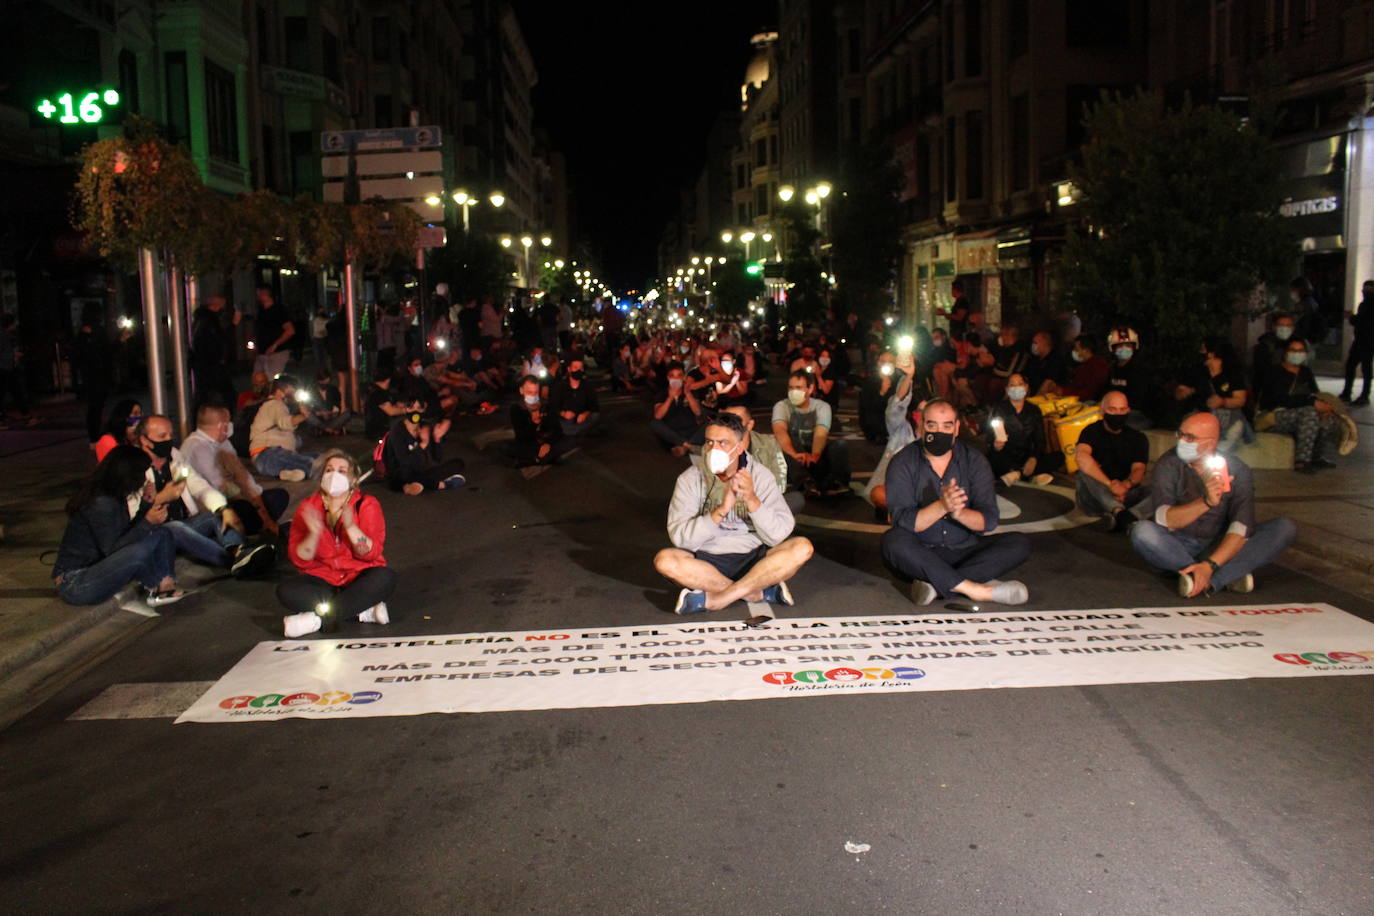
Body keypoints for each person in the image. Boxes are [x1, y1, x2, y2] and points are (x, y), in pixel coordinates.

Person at [653, 412, 814, 615]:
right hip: (707, 561)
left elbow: (777, 535)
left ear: (739, 448)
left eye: (723, 443)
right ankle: (757, 592)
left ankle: (717, 599)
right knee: (665, 560)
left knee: (802, 548)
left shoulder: (760, 476)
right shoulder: (690, 479)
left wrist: (753, 501)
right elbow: (681, 539)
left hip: (754, 559)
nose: (714, 449)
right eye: (709, 443)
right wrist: (720, 511)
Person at [879, 398, 1031, 606]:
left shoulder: (974, 461)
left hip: (965, 550)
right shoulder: (903, 462)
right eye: (932, 425)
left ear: (957, 428)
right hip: (920, 553)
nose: (939, 432)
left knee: (1019, 543)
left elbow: (988, 521)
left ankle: (937, 586)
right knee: (893, 541)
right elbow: (902, 522)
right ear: (921, 426)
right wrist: (942, 506)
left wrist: (960, 513)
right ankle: (977, 590)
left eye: (947, 425)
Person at [1129, 411, 1296, 597]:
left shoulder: (1236, 469)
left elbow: (1241, 527)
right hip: (1177, 544)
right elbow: (1164, 519)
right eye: (1181, 434)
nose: (1182, 441)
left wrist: (1212, 563)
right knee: (1142, 532)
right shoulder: (1169, 464)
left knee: (1284, 528)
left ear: (1211, 443)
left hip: (1217, 545)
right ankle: (1224, 576)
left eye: (1190, 437)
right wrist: (1206, 502)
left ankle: (1203, 578)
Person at [133, 414, 275, 576]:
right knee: (175, 528)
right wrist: (162, 497)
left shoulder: (174, 456)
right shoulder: (133, 466)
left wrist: (223, 508)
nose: (168, 440)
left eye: (171, 435)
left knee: (217, 512)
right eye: (162, 436)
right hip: (155, 533)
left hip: (185, 522)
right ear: (144, 440)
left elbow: (199, 486)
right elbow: (131, 511)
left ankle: (239, 550)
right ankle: (231, 560)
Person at [279, 450, 396, 637]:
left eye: (342, 471)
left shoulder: (366, 504)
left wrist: (350, 527)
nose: (334, 475)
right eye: (329, 470)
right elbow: (300, 560)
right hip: (323, 579)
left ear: (354, 479)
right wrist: (314, 533)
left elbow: (370, 554)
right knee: (286, 590)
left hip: (358, 577)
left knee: (384, 578)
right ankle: (358, 611)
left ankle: (319, 619)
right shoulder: (308, 507)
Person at [54, 446, 185, 607]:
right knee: (139, 550)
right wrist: (147, 522)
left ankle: (165, 585)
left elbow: (125, 534)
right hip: (75, 583)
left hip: (97, 570)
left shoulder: (114, 496)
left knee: (162, 532)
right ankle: (158, 586)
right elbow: (114, 550)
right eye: (142, 473)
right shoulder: (101, 503)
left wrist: (145, 505)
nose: (145, 478)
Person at [180, 404, 288, 537]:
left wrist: (258, 503)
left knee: (278, 496)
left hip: (238, 497)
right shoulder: (196, 448)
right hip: (215, 507)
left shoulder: (222, 442)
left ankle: (258, 525)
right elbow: (222, 488)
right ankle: (252, 529)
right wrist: (258, 508)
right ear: (222, 426)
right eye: (228, 422)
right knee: (246, 508)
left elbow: (244, 476)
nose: (230, 426)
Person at [1260, 337, 1340, 473]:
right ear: (1285, 352)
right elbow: (1279, 399)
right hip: (1275, 416)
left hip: (1301, 413)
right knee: (1309, 412)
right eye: (1293, 350)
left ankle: (1316, 456)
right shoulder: (1273, 372)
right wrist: (1310, 403)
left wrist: (1322, 406)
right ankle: (1302, 461)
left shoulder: (1305, 372)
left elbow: (1315, 393)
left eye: (1300, 351)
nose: (1297, 354)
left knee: (1328, 417)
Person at [1074, 391, 1150, 531]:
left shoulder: (1138, 438)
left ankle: (1128, 516)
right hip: (1096, 495)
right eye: (1112, 409)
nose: (1117, 414)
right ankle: (1119, 513)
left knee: (1159, 490)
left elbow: (1139, 469)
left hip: (1125, 493)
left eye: (1122, 410)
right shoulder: (1091, 432)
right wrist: (1110, 485)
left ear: (1128, 411)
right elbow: (1081, 457)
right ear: (1102, 411)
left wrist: (1125, 485)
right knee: (1085, 471)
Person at [772, 369, 850, 498]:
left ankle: (837, 483)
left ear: (810, 388)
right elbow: (779, 431)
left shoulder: (822, 406)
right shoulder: (781, 406)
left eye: (798, 387)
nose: (793, 391)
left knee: (840, 445)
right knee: (788, 440)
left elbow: (821, 433)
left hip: (815, 454)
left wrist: (815, 454)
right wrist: (794, 454)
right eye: (791, 388)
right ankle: (805, 484)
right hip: (794, 457)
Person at [984, 373, 1061, 488]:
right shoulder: (998, 409)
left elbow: (1040, 440)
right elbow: (989, 436)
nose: (1016, 388)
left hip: (1026, 456)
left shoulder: (1034, 410)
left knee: (1059, 456)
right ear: (1007, 389)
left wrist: (1033, 458)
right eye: (1012, 385)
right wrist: (996, 445)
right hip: (1005, 455)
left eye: (1020, 384)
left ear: (1026, 387)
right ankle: (1028, 475)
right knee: (990, 459)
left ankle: (1017, 474)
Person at [1174, 337, 1251, 450]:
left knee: (1237, 426)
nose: (1200, 353)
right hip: (1199, 416)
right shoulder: (1195, 371)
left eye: (1203, 349)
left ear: (1212, 353)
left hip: (1228, 419)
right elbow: (1179, 393)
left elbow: (1240, 399)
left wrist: (1223, 401)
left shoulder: (1232, 373)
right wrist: (1184, 392)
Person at [383, 408, 467, 495]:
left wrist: (437, 439)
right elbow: (405, 463)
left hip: (421, 473)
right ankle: (439, 485)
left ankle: (414, 485)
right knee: (403, 477)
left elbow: (437, 459)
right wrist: (422, 445)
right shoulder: (398, 434)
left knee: (458, 463)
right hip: (402, 473)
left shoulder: (428, 432)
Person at [249, 375, 317, 480]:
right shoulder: (275, 404)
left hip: (268, 461)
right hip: (267, 455)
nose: (294, 394)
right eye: (292, 390)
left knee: (318, 458)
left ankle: (289, 473)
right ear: (281, 391)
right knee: (313, 464)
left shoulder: (274, 406)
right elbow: (284, 423)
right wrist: (303, 416)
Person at [190, 294, 238, 409]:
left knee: (205, 395)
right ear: (216, 305)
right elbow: (218, 339)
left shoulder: (202, 319)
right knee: (225, 395)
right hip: (211, 364)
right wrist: (233, 325)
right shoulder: (209, 320)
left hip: (206, 364)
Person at [650, 362, 704, 455]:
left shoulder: (690, 392)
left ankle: (683, 446)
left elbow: (698, 412)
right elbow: (658, 416)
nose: (675, 379)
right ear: (668, 378)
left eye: (679, 376)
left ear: (683, 378)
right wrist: (670, 398)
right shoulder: (662, 394)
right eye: (672, 376)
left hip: (690, 430)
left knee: (709, 424)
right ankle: (688, 445)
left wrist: (688, 394)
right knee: (654, 423)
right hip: (672, 432)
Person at [1104, 326, 1151, 427]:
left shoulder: (1139, 369)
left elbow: (1137, 400)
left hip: (1136, 414)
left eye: (1128, 345)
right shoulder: (1112, 369)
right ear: (1113, 348)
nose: (1124, 348)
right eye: (1120, 345)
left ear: (1134, 347)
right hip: (1115, 411)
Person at [1042, 334, 1109, 402]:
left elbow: (1091, 393)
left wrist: (1064, 392)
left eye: (1076, 349)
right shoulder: (1082, 366)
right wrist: (1058, 388)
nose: (1074, 351)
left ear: (1085, 350)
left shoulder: (1098, 366)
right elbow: (1075, 386)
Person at [1339, 279, 1373, 406]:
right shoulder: (1363, 304)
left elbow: (1362, 321)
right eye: (1365, 289)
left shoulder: (1367, 305)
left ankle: (1363, 395)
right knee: (1353, 366)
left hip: (1367, 342)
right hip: (1360, 341)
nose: (1366, 292)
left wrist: (1352, 317)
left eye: (1369, 289)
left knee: (1365, 368)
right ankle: (1348, 393)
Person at [0, 313, 38, 428]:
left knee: (16, 391)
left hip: (9, 366)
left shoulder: (8, 335)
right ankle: (24, 414)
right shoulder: (3, 336)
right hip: (4, 366)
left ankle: (25, 414)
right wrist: (13, 355)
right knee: (9, 392)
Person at [549, 357, 600, 438]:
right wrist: (563, 413)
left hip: (582, 417)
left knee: (595, 416)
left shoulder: (588, 385)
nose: (578, 370)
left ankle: (573, 431)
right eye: (575, 367)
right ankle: (577, 431)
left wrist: (585, 414)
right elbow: (553, 405)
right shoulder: (560, 386)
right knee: (561, 422)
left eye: (581, 368)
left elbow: (594, 405)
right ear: (569, 369)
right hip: (567, 417)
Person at [1252, 313, 1296, 405]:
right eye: (1281, 325)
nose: (1285, 328)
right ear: (1274, 327)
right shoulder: (1265, 346)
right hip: (1271, 396)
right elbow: (1261, 373)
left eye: (1288, 325)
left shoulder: (1297, 344)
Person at [251, 284, 295, 378]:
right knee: (257, 379)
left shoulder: (279, 310)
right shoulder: (261, 311)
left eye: (259, 294)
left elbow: (290, 330)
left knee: (271, 380)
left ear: (266, 294)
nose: (257, 297)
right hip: (262, 352)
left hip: (277, 353)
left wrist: (275, 345)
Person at [94, 399, 143, 463]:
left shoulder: (131, 437)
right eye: (135, 413)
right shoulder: (107, 440)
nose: (139, 417)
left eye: (140, 413)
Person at [364, 372, 409, 439]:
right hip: (379, 429)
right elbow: (391, 411)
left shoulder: (373, 390)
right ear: (387, 380)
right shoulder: (378, 393)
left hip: (374, 427)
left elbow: (394, 403)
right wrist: (407, 410)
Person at [1024, 331, 1066, 396]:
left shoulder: (1055, 360)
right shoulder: (1034, 359)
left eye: (1035, 343)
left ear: (1044, 343)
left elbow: (1047, 385)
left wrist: (1033, 401)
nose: (1033, 345)